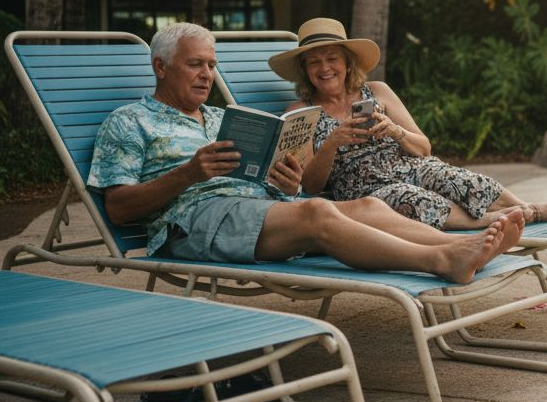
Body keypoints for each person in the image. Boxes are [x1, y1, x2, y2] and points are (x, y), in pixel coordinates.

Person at [87, 22, 521, 284]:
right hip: (196, 222)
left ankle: (463, 247)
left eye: (212, 65)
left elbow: (286, 186)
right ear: (160, 67)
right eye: (195, 64)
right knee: (318, 212)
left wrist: (288, 180)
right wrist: (188, 174)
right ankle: (442, 260)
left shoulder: (223, 119)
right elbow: (119, 209)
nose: (207, 75)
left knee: (368, 206)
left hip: (258, 211)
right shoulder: (129, 121)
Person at [268, 18, 547, 231]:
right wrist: (333, 142)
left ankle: (529, 208)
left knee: (452, 176)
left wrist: (395, 130)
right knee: (410, 198)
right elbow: (310, 186)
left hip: (409, 166)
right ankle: (489, 221)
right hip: (363, 189)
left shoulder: (378, 91)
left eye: (332, 58)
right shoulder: (300, 112)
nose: (324, 68)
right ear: (305, 71)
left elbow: (424, 149)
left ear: (347, 63)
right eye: (314, 62)